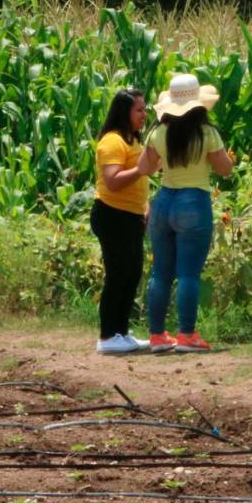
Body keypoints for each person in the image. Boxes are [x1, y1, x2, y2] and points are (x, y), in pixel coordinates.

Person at [138, 73, 233, 353]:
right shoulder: (207, 133)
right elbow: (225, 169)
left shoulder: (158, 132)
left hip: (164, 200)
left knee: (160, 273)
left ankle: (157, 336)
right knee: (189, 273)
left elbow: (145, 168)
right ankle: (187, 334)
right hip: (194, 201)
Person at [90, 89, 155, 354]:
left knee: (132, 274)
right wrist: (141, 169)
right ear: (124, 112)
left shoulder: (133, 139)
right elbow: (113, 181)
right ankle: (107, 336)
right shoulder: (112, 141)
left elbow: (140, 179)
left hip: (131, 216)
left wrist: (145, 206)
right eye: (139, 109)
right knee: (117, 275)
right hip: (112, 215)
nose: (144, 114)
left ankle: (121, 332)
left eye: (144, 109)